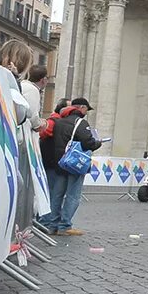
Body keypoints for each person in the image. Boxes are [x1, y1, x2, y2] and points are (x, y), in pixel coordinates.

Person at [38, 97, 101, 236]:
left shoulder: (59, 122)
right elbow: (88, 142)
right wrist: (98, 143)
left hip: (60, 164)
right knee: (73, 195)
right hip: (74, 164)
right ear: (81, 108)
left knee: (57, 195)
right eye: (86, 109)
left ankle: (52, 224)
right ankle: (65, 225)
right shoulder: (81, 123)